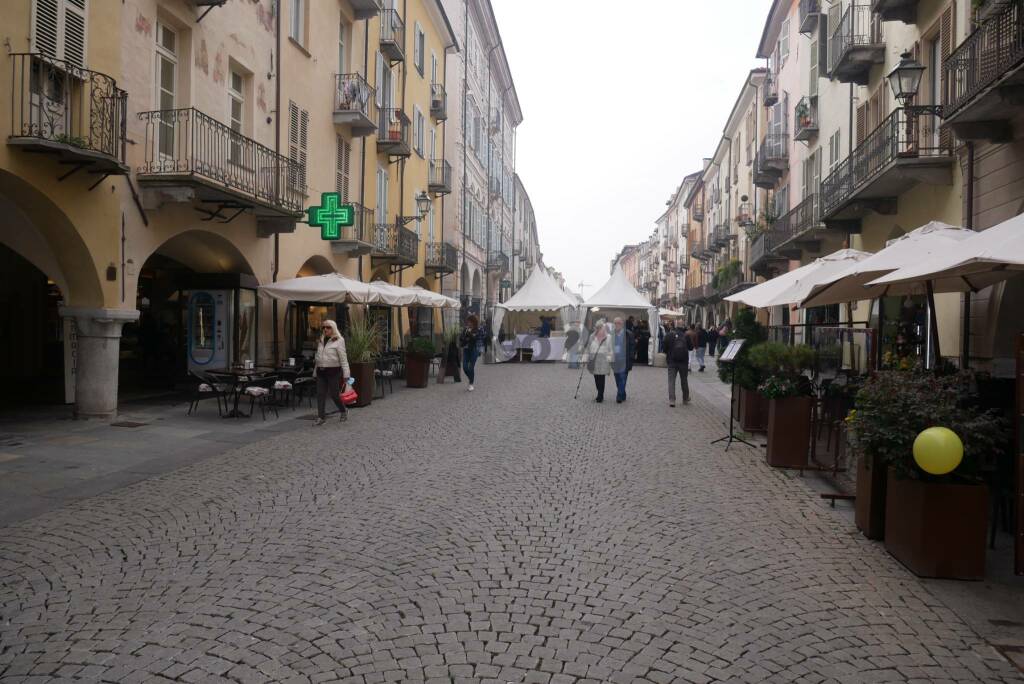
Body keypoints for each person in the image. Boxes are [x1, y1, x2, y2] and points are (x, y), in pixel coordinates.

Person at [314, 320, 349, 425]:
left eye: (328, 327)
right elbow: (318, 357)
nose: (325, 329)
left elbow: (343, 359)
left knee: (334, 395)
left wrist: (346, 373)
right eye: (324, 327)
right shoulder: (321, 339)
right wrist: (315, 371)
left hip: (333, 371)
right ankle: (321, 417)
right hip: (321, 371)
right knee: (320, 394)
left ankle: (343, 410)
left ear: (333, 328)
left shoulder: (339, 340)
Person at [583, 319, 613, 402]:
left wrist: (610, 358)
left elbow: (610, 349)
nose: (599, 329)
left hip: (603, 360)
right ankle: (599, 392)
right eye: (598, 327)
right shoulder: (592, 336)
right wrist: (585, 357)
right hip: (594, 360)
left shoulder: (608, 337)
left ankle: (600, 395)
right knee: (596, 377)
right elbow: (588, 348)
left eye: (601, 327)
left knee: (601, 377)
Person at [663, 321, 693, 407]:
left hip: (672, 361)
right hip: (683, 362)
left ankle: (672, 400)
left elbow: (664, 348)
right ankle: (685, 399)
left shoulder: (669, 335)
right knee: (684, 380)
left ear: (675, 326)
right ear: (683, 326)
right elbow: (691, 348)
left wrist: (669, 352)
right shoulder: (686, 335)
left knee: (671, 380)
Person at [611, 317, 635, 403]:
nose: (617, 325)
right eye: (615, 323)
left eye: (618, 323)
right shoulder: (611, 334)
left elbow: (632, 347)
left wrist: (631, 358)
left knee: (622, 378)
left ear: (622, 324)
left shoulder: (629, 334)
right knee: (617, 379)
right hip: (615, 360)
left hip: (625, 360)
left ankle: (619, 395)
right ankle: (623, 394)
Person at [460, 314, 481, 391]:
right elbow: (461, 338)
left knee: (471, 367)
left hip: (473, 350)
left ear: (473, 322)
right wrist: (467, 337)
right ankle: (471, 378)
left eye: (470, 322)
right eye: (468, 322)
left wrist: (469, 335)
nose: (468, 323)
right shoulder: (465, 329)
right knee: (465, 367)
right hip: (466, 350)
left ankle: (471, 383)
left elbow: (475, 339)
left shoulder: (477, 330)